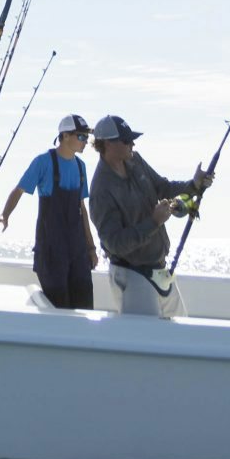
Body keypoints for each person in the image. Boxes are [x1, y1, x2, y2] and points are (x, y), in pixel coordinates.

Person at [86, 115, 212, 318]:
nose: (132, 144)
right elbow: (115, 243)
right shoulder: (101, 189)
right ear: (107, 144)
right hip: (132, 274)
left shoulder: (135, 160)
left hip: (160, 271)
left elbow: (163, 187)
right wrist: (153, 222)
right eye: (126, 140)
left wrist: (194, 185)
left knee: (182, 332)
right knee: (146, 339)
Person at [0, 115, 97, 309]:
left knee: (84, 306)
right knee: (58, 306)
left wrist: (91, 248)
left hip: (77, 251)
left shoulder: (81, 167)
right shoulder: (43, 162)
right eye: (81, 137)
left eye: (86, 138)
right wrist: (4, 215)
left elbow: (81, 209)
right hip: (51, 251)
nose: (85, 142)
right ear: (65, 136)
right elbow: (19, 190)